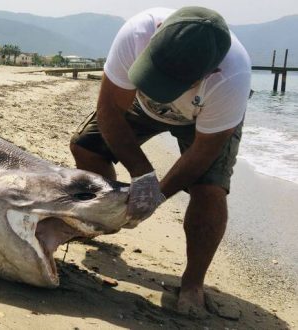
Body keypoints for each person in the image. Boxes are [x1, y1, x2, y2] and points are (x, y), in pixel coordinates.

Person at [69, 7, 251, 316]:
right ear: (157, 34)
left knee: (209, 190)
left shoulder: (232, 78)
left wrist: (157, 195)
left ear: (211, 73)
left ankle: (193, 282)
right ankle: (102, 222)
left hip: (201, 119)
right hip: (139, 107)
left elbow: (202, 153)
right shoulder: (136, 33)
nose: (159, 87)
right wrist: (141, 172)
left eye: (169, 82)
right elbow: (110, 111)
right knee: (86, 148)